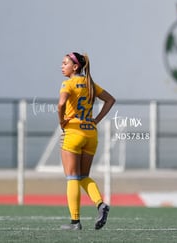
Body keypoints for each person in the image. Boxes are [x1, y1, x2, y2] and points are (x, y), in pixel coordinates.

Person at [58, 52, 116, 230]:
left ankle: (75, 222)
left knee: (72, 178)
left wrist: (62, 122)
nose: (62, 66)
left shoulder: (67, 84)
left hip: (74, 133)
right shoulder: (90, 84)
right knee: (83, 176)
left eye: (65, 63)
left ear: (75, 67)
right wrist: (96, 120)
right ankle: (100, 204)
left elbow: (61, 104)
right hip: (91, 134)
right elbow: (110, 100)